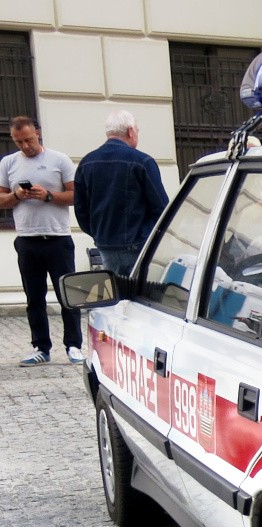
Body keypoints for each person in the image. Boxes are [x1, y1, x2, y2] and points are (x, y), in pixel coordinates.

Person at [0, 116, 81, 366]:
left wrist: (47, 195)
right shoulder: (8, 163)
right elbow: (1, 200)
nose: (25, 146)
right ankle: (41, 347)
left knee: (67, 295)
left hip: (57, 238)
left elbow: (75, 195)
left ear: (38, 133)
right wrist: (17, 194)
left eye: (29, 140)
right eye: (19, 142)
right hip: (27, 239)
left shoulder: (59, 160)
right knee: (34, 297)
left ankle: (74, 346)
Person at [74, 110, 170, 276]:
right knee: (141, 297)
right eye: (137, 131)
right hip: (138, 244)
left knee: (117, 296)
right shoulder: (142, 161)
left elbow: (81, 209)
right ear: (130, 131)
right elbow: (162, 207)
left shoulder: (86, 162)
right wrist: (147, 235)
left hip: (105, 245)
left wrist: (98, 235)